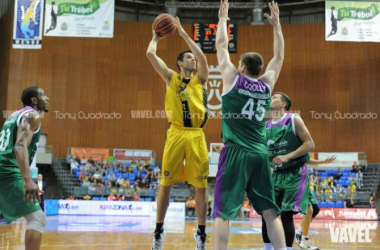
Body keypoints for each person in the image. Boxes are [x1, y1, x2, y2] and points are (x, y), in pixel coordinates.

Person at [214, 1, 286, 250]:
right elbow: (279, 57)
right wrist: (277, 26)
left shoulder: (232, 79)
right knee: (270, 212)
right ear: (258, 70)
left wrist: (223, 18)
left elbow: (221, 45)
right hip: (260, 153)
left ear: (242, 67)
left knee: (223, 213)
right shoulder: (267, 84)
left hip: (235, 151)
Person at [146, 15, 210, 250]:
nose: (193, 59)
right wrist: (155, 38)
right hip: (175, 133)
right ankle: (158, 232)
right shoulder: (170, 78)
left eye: (193, 57)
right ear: (180, 63)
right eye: (188, 57)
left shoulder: (201, 80)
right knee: (166, 184)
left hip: (196, 136)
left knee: (201, 187)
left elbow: (203, 57)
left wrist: (183, 32)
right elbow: (151, 55)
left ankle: (201, 236)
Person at [262, 93, 315, 250]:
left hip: (294, 173)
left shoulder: (293, 119)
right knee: (267, 215)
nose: (270, 99)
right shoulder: (266, 126)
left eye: (274, 97)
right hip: (275, 174)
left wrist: (288, 157)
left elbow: (310, 144)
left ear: (283, 104)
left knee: (286, 215)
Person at [0, 86, 49, 250]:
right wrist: (28, 180)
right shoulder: (32, 115)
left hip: (5, 169)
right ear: (34, 100)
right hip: (6, 170)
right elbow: (19, 146)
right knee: (37, 218)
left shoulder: (13, 116)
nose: (47, 98)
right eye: (43, 95)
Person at [295, 156, 336, 250]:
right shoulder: (294, 146)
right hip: (297, 180)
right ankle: (304, 239)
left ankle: (299, 232)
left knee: (315, 210)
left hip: (305, 181)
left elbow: (306, 160)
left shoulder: (303, 151)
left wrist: (323, 161)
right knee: (309, 210)